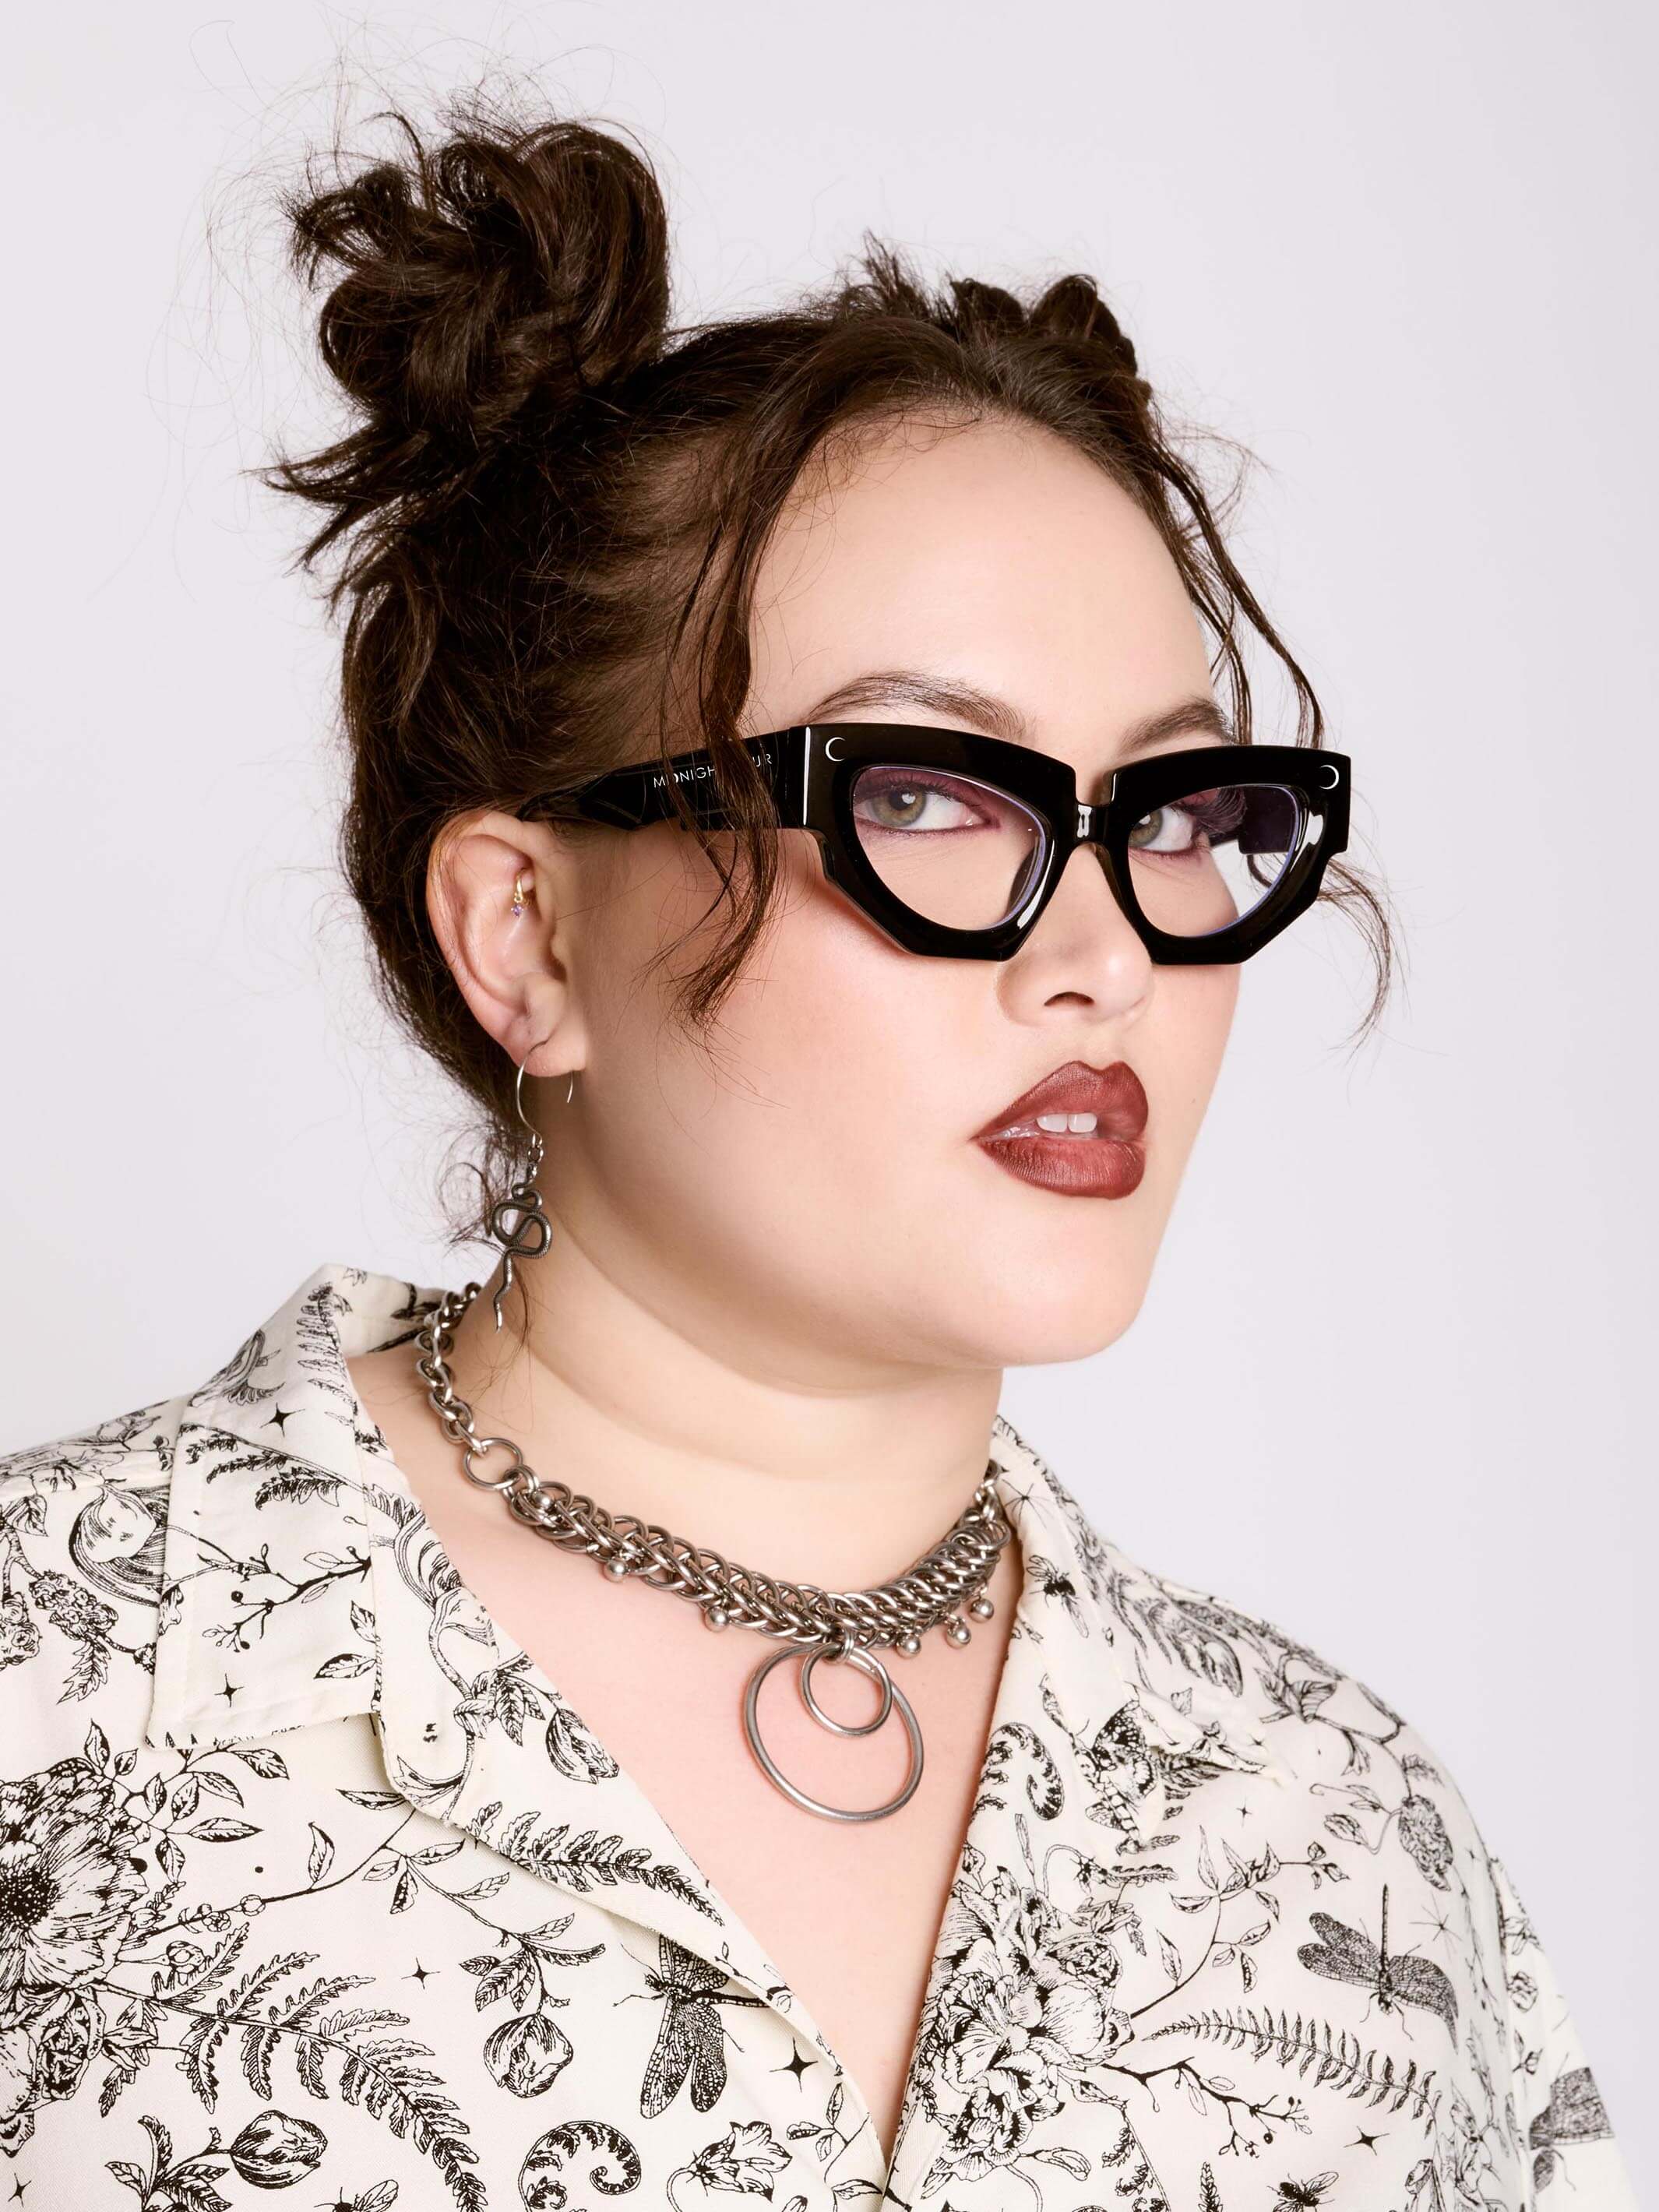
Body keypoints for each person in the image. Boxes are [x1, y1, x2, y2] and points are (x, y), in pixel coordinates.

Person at [0, 96, 1634, 2212]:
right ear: (527, 935)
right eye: (928, 795)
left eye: (1170, 808)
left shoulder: (1344, 1844)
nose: (1104, 955)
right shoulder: (54, 1695)